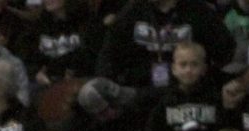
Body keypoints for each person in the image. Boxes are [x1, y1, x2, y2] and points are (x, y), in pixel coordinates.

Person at [95, 0, 233, 89]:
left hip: (187, 90)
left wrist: (202, 77)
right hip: (138, 89)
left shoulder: (198, 11)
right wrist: (111, 83)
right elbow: (109, 54)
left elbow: (225, 50)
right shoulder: (133, 10)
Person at [140, 42, 221, 131]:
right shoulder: (165, 99)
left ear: (204, 68)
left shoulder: (213, 98)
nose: (188, 70)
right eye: (183, 65)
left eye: (194, 65)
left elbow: (220, 129)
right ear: (173, 69)